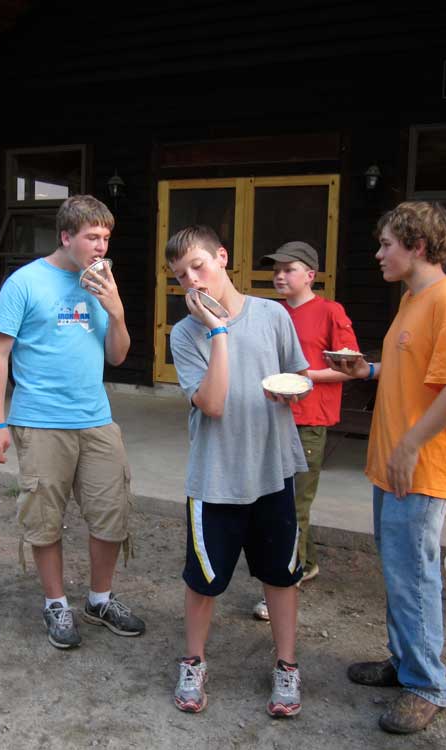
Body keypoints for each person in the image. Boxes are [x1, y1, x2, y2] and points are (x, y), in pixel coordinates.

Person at [328, 201, 446, 734]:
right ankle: (406, 662)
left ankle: (428, 684)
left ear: (417, 246)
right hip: (395, 463)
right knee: (399, 570)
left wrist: (413, 443)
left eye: (387, 244)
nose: (378, 254)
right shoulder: (415, 300)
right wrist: (366, 368)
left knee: (414, 574)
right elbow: (417, 370)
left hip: (420, 465)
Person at [0, 194, 145, 650]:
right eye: (92, 237)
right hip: (39, 421)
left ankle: (99, 599)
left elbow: (117, 354)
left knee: (111, 512)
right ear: (66, 236)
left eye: (106, 238)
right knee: (44, 518)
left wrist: (115, 308)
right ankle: (56, 603)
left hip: (95, 418)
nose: (100, 246)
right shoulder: (25, 283)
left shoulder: (102, 285)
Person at [166, 225, 309, 717]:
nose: (192, 280)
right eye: (181, 276)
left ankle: (287, 665)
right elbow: (212, 403)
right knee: (203, 581)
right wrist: (218, 332)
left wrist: (292, 390)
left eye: (198, 266)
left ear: (222, 257)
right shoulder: (186, 334)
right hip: (215, 476)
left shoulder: (272, 314)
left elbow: (298, 374)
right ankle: (194, 660)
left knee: (280, 575)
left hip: (272, 468)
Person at [251, 240, 359, 622]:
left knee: (295, 502)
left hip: (310, 419)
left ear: (310, 275)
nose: (279, 276)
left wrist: (302, 377)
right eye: (275, 270)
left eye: (289, 269)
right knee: (276, 497)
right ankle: (307, 561)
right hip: (273, 416)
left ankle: (286, 578)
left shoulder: (330, 311)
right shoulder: (270, 312)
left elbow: (349, 366)